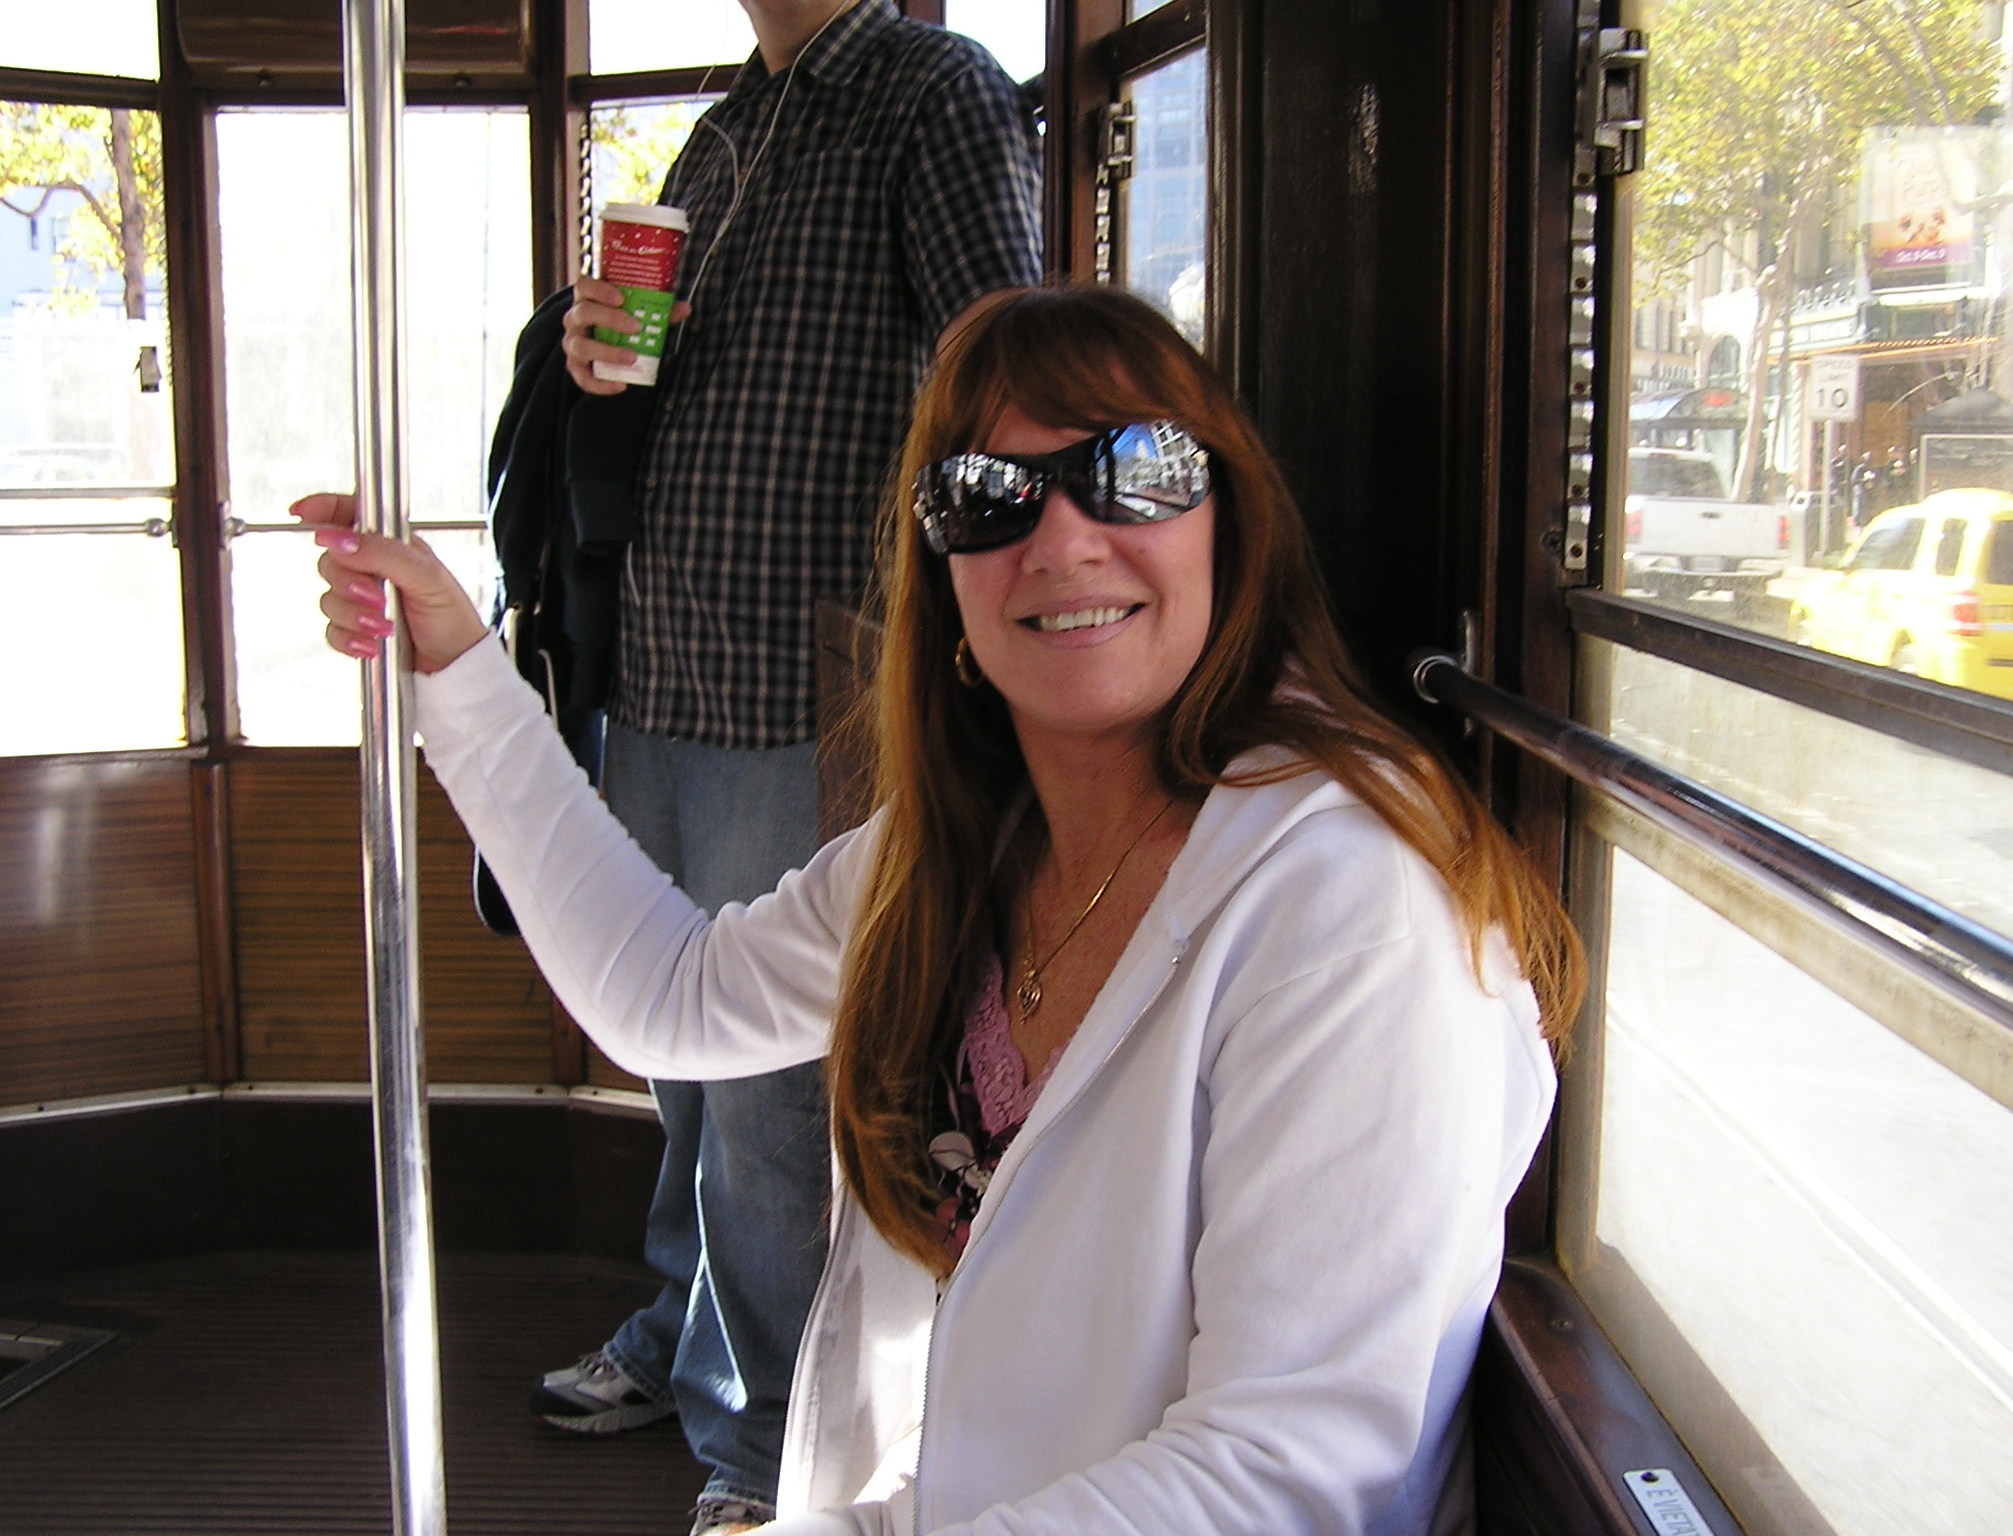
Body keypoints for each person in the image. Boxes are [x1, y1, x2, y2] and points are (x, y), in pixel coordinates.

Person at [298, 285, 1580, 1535]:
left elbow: (1291, 1475)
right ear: (946, 580)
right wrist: (457, 664)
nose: (1062, 540)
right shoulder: (960, 855)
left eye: (1135, 471)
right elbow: (669, 995)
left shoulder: (1352, 912)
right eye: (986, 496)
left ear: (1228, 526)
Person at [516, 1, 1037, 1530]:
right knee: (682, 1066)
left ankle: (764, 1452)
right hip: (657, 671)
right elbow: (677, 380)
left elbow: (1007, 368)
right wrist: (595, 360)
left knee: (768, 1094)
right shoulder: (729, 123)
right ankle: (685, 1334)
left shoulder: (932, 94)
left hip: (808, 684)